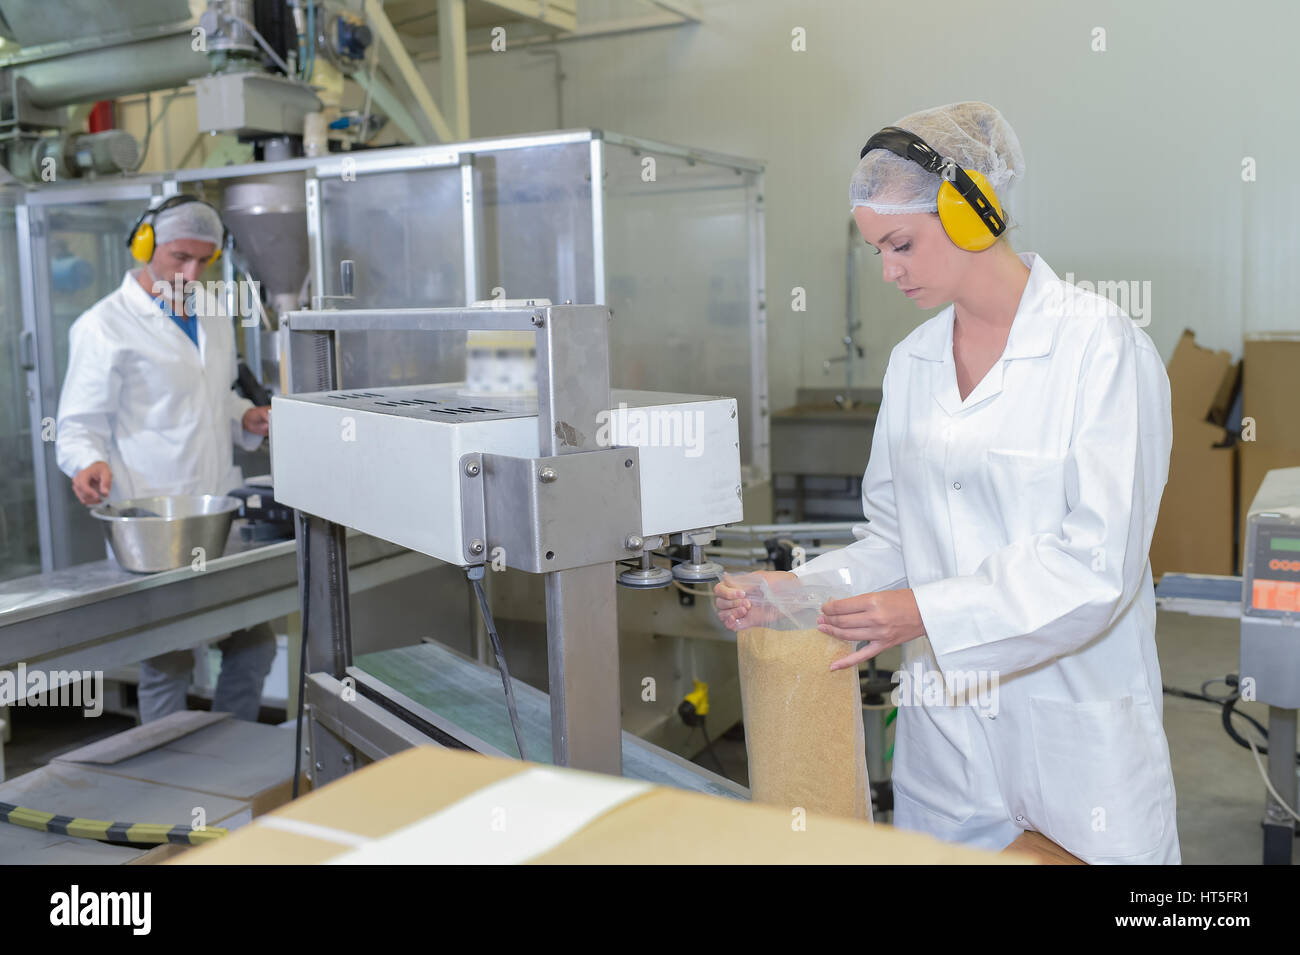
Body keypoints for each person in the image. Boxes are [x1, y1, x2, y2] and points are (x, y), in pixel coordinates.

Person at [716, 102, 1180, 865]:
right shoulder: (914, 363)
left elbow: (1098, 567)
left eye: (901, 243)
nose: (889, 270)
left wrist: (923, 612)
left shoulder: (1102, 350)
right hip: (948, 740)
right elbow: (898, 537)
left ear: (972, 210)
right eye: (877, 251)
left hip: (1072, 731)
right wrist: (797, 593)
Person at [55, 195, 276, 724]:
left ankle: (230, 754)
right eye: (180, 257)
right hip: (153, 519)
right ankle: (164, 785)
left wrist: (244, 415)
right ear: (145, 244)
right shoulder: (103, 326)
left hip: (216, 511)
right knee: (169, 664)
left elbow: (211, 394)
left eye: (204, 261)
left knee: (254, 647)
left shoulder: (213, 314)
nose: (191, 272)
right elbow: (77, 424)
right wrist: (86, 463)